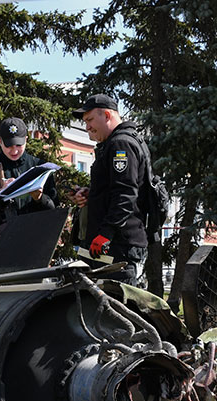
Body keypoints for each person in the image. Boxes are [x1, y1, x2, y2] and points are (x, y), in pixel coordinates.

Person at [72, 94, 150, 286]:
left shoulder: (120, 144)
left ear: (107, 115)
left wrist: (106, 233)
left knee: (115, 300)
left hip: (115, 244)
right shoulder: (116, 143)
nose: (87, 127)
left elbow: (125, 193)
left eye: (90, 120)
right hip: (111, 243)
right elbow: (116, 188)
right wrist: (92, 194)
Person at [0, 117, 57, 246]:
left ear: (26, 139)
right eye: (9, 145)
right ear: (0, 141)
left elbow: (54, 210)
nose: (14, 151)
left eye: (19, 145)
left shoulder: (40, 167)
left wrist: (41, 198)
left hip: (34, 244)